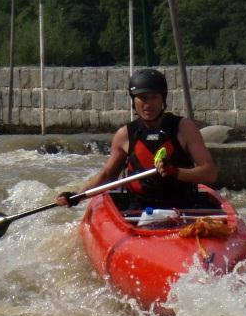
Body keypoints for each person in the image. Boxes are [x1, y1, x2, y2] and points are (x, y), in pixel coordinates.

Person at [56, 68, 217, 210]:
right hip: (140, 207)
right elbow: (108, 176)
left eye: (154, 96)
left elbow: (209, 173)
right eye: (142, 97)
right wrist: (77, 195)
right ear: (134, 101)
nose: (148, 103)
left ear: (163, 99)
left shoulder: (184, 128)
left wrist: (176, 172)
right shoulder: (125, 135)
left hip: (183, 205)